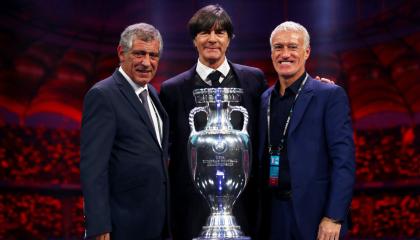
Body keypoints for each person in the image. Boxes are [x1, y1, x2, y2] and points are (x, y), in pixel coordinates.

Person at [159, 4, 268, 240]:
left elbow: (273, 122)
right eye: (204, 33)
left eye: (220, 33)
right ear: (194, 40)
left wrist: (320, 88)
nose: (212, 39)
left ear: (230, 39)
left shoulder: (254, 81)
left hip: (245, 206)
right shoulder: (172, 90)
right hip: (190, 209)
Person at [257, 21, 356, 240]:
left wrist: (334, 217)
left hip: (315, 217)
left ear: (306, 52)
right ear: (271, 53)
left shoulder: (329, 95)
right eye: (278, 47)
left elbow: (344, 161)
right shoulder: (264, 99)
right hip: (271, 215)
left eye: (293, 47)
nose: (285, 54)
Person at [80, 23, 169, 240]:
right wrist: (99, 225)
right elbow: (93, 168)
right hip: (122, 224)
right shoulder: (103, 95)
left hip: (156, 222)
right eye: (139, 54)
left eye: (153, 55)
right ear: (121, 53)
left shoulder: (154, 95)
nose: (147, 63)